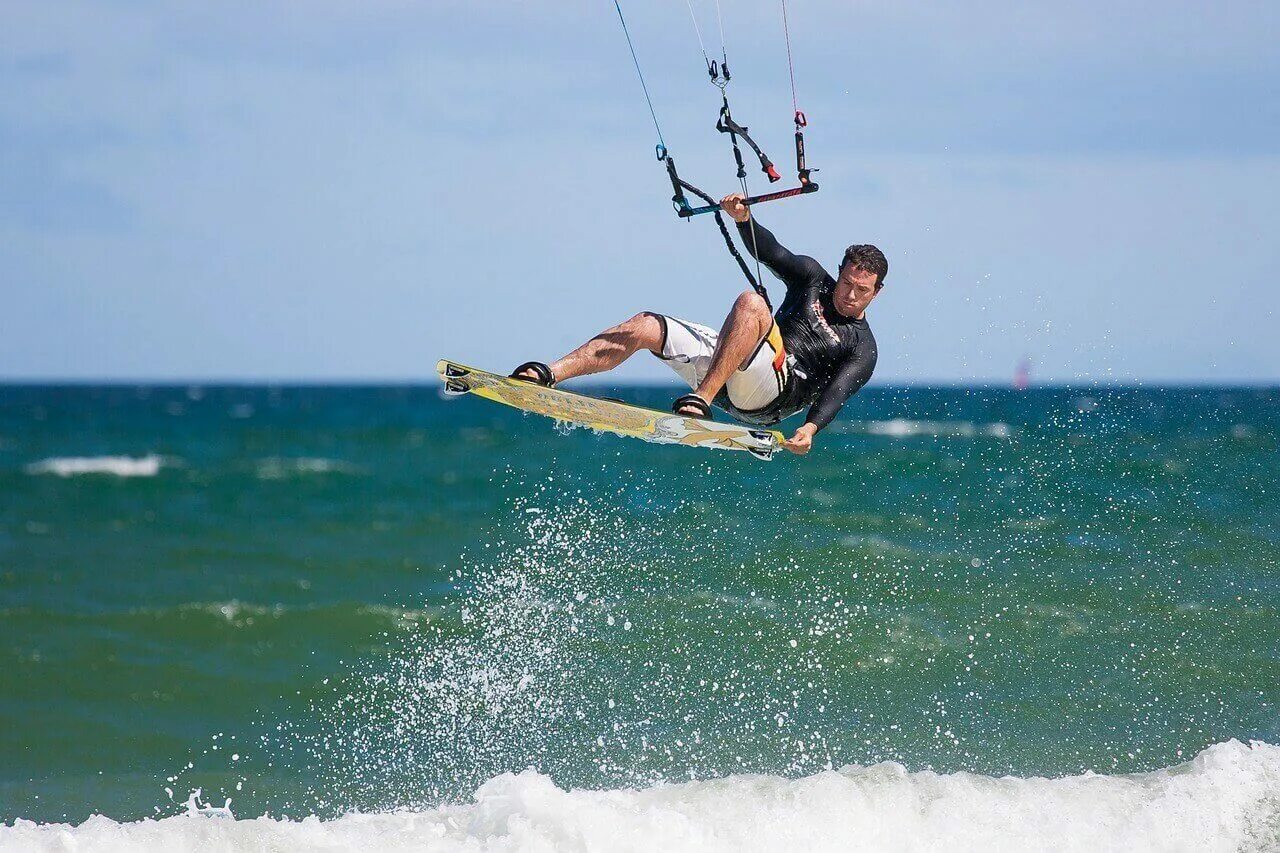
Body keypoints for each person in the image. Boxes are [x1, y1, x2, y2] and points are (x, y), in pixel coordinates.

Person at [511, 193, 887, 455]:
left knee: (752, 304)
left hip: (773, 395)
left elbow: (836, 394)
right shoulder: (813, 279)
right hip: (734, 368)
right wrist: (744, 219)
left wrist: (809, 429)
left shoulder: (861, 347)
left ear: (877, 293)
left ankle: (700, 401)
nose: (850, 294)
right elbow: (772, 253)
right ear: (839, 273)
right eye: (847, 283)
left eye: (862, 290)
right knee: (646, 325)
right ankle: (550, 374)